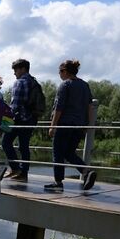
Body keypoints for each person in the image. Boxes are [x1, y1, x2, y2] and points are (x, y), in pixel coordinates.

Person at [45, 59, 97, 192]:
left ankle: (58, 182)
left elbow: (59, 108)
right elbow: (90, 107)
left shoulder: (65, 85)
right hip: (79, 125)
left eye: (60, 71)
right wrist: (88, 125)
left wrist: (52, 126)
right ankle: (86, 171)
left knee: (58, 152)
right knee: (68, 152)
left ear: (66, 72)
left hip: (65, 125)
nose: (59, 74)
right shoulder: (84, 85)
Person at [2, 59, 38, 182]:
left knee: (6, 142)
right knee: (24, 146)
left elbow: (15, 105)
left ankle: (15, 168)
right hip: (31, 119)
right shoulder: (33, 81)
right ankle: (23, 173)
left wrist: (6, 121)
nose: (14, 73)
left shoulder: (20, 82)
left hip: (19, 119)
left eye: (15, 70)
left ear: (23, 69)